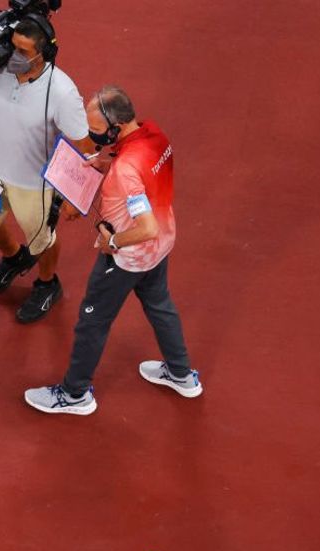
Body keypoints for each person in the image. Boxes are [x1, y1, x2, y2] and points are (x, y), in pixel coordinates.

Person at [24, 85, 203, 415]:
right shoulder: (153, 135)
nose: (92, 136)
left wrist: (112, 242)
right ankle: (181, 374)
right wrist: (111, 163)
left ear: (116, 127)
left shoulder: (125, 171)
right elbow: (143, 180)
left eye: (96, 131)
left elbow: (143, 224)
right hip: (161, 244)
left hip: (128, 256)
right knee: (160, 304)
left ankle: (75, 394)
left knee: (92, 323)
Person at [0, 15, 91, 322]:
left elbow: (85, 147)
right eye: (13, 48)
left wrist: (73, 195)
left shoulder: (62, 92)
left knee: (42, 240)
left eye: (23, 52)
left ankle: (47, 283)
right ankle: (14, 257)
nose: (14, 56)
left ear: (44, 54)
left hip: (34, 184)